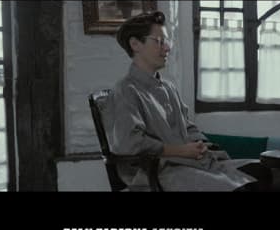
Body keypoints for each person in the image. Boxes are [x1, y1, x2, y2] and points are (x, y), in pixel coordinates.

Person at [107, 10, 269, 191]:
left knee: (267, 172)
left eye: (166, 41)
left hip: (191, 162)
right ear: (135, 44)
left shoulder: (168, 87)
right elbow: (130, 144)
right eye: (159, 41)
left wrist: (201, 146)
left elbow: (189, 128)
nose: (167, 48)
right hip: (159, 173)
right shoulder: (125, 91)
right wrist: (180, 151)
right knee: (237, 187)